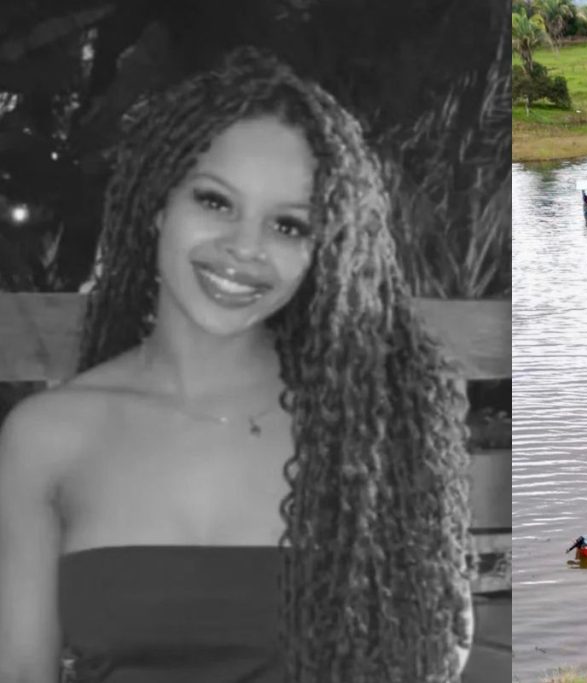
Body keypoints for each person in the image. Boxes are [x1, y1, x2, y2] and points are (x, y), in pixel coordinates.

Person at [0, 48, 472, 683]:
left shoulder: (370, 429)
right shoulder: (45, 438)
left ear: (321, 253)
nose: (245, 250)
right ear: (159, 204)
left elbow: (427, 658)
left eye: (287, 226)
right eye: (216, 203)